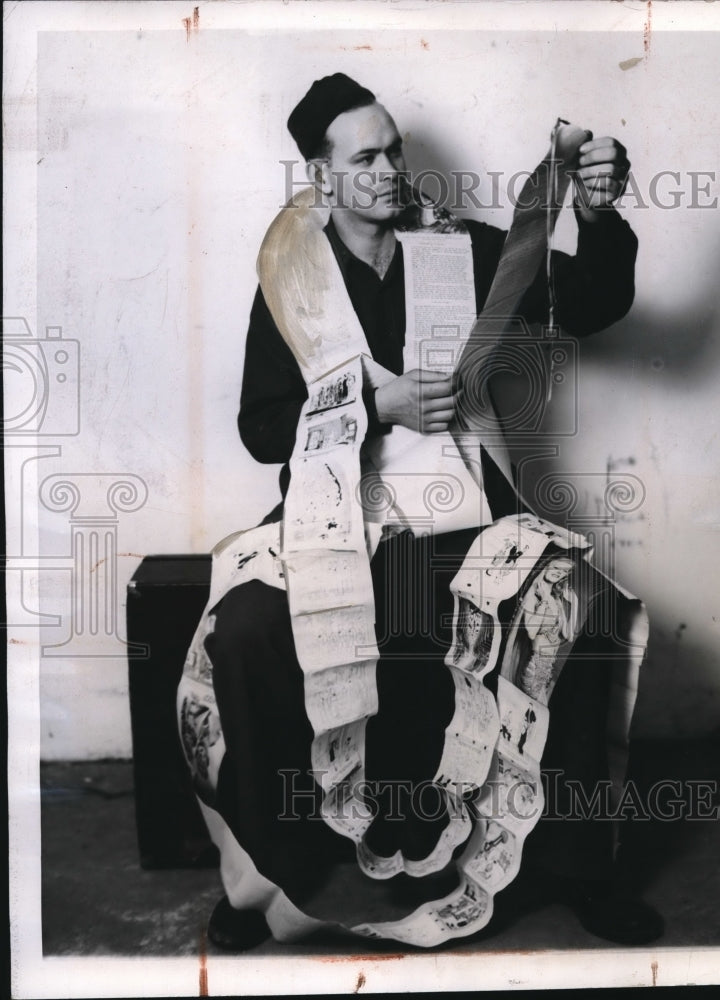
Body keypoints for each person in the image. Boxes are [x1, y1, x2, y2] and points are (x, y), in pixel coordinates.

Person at [180, 73, 663, 950]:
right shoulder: (291, 284)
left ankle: (581, 868)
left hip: (457, 511)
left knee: (573, 606)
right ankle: (268, 869)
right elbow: (259, 428)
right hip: (339, 521)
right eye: (364, 155)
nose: (389, 168)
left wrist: (592, 214)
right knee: (245, 629)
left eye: (394, 147)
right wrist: (374, 408)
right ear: (321, 178)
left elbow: (588, 306)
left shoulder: (457, 248)